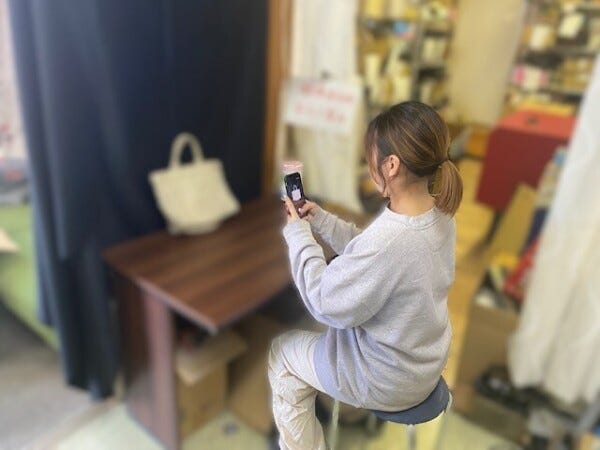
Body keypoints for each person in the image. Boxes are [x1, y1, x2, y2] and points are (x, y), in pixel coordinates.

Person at [269, 101, 463, 450]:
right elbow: (372, 256)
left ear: (391, 165)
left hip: (388, 380)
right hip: (424, 362)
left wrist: (297, 233)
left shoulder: (390, 240)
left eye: (370, 158)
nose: (368, 166)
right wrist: (321, 221)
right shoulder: (440, 216)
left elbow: (324, 302)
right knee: (322, 336)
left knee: (281, 353)